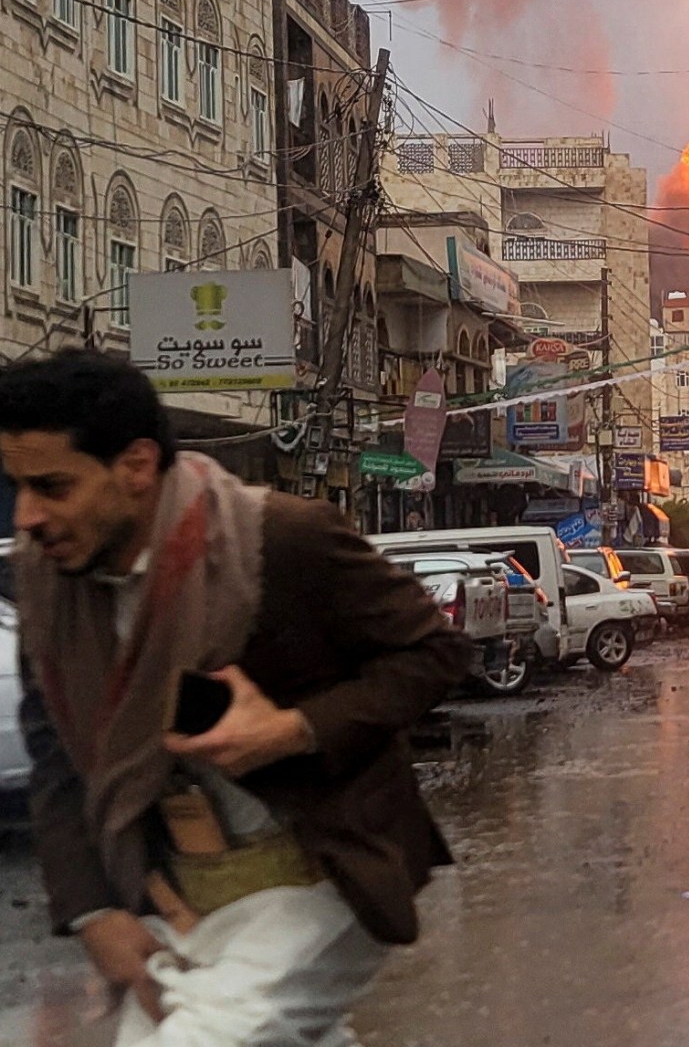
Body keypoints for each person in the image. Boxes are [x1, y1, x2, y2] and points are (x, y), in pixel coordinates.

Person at [2, 351, 469, 1045]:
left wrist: (295, 729)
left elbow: (434, 653)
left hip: (318, 880)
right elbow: (57, 757)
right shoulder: (48, 585)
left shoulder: (280, 538)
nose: (28, 515)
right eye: (17, 487)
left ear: (135, 466)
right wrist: (94, 911)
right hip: (181, 896)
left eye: (53, 487)